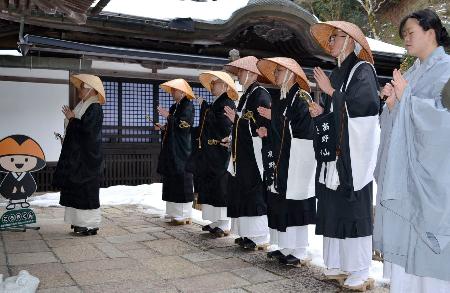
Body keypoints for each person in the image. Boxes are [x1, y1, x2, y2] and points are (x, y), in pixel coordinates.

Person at [374, 9, 450, 293]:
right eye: (403, 34)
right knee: (407, 263)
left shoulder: (448, 70)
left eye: (411, 33)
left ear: (431, 32)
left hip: (434, 178)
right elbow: (397, 123)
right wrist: (394, 105)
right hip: (407, 177)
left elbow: (444, 122)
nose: (405, 39)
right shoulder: (410, 73)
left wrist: (407, 100)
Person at [309, 21, 381, 290]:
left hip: (353, 158)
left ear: (350, 41)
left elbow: (364, 110)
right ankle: (338, 264)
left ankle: (360, 270)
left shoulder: (363, 70)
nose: (331, 44)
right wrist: (322, 112)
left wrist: (330, 93)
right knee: (334, 207)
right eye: (329, 39)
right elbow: (338, 113)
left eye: (335, 38)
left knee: (352, 209)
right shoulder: (338, 72)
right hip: (335, 156)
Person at [256, 57, 317, 266]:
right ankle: (285, 246)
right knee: (282, 201)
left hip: (297, 158)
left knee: (296, 202)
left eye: (280, 71)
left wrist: (275, 118)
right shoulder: (282, 98)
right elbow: (280, 128)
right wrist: (267, 130)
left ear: (291, 74)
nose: (276, 75)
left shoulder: (301, 96)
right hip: (284, 157)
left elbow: (302, 129)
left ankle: (299, 250)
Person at [223, 56, 271, 250]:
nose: (238, 76)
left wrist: (238, 120)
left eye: (241, 72)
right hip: (243, 151)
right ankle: (246, 234)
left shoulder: (261, 94)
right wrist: (232, 135)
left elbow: (261, 125)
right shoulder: (246, 95)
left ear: (251, 73)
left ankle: (258, 236)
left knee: (254, 190)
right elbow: (243, 123)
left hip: (254, 152)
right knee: (243, 191)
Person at [53, 74, 105, 236]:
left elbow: (87, 131)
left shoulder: (95, 107)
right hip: (79, 157)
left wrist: (72, 120)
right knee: (76, 188)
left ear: (90, 90)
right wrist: (71, 121)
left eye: (81, 88)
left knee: (86, 190)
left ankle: (90, 225)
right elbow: (77, 127)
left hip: (87, 158)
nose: (79, 91)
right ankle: (78, 223)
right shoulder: (83, 106)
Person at [193, 71, 238, 237]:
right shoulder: (216, 103)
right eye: (211, 83)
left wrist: (205, 107)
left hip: (220, 152)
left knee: (221, 188)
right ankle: (214, 221)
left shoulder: (227, 103)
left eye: (216, 83)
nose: (212, 86)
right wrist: (205, 106)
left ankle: (224, 223)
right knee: (211, 187)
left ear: (225, 86)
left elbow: (225, 127)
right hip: (210, 153)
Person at [156, 79, 195, 225]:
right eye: (172, 90)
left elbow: (184, 126)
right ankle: (173, 212)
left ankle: (184, 214)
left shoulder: (188, 105)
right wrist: (163, 127)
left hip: (182, 148)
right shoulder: (174, 107)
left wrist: (168, 117)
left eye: (175, 90)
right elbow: (172, 126)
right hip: (172, 148)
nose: (172, 92)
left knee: (182, 178)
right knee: (171, 178)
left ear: (183, 92)